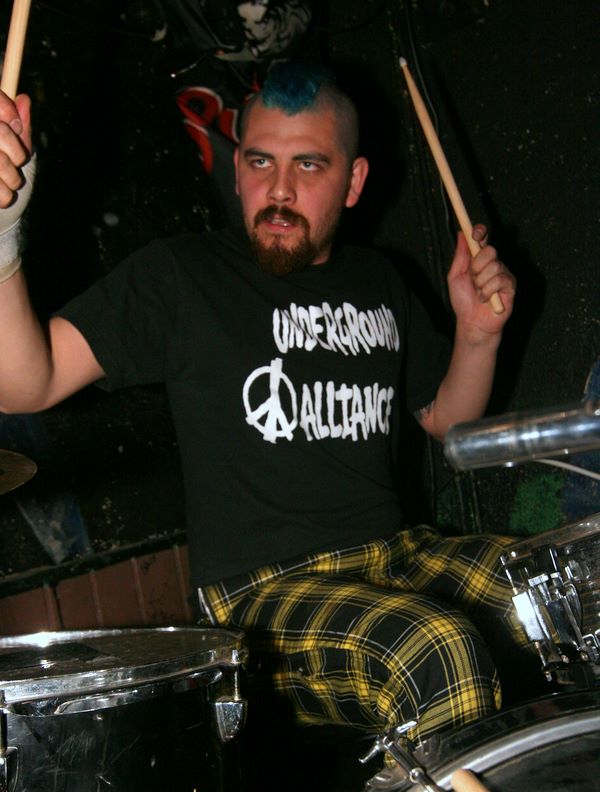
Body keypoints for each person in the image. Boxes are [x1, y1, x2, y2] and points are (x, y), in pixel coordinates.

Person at [0, 61, 535, 754]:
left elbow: (449, 422)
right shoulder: (183, 276)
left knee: (564, 582)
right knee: (437, 648)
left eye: (309, 165)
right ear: (237, 169)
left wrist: (478, 335)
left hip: (396, 556)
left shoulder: (379, 279)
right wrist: (3, 237)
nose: (279, 190)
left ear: (354, 182)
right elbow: (27, 384)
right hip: (262, 596)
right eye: (260, 162)